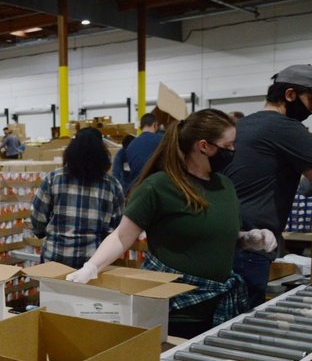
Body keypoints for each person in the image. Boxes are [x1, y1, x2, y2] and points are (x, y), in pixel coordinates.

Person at [67, 109, 275, 338]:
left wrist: (249, 239)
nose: (233, 152)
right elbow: (121, 236)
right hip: (175, 312)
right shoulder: (159, 187)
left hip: (219, 308)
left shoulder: (224, 186)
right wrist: (92, 267)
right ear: (204, 146)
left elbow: (219, 237)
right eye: (228, 146)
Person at [224, 64, 312, 308]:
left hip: (225, 241)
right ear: (290, 95)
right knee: (240, 332)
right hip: (251, 247)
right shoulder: (287, 128)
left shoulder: (244, 124)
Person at [30, 128, 124, 269]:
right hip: (93, 265)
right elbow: (118, 229)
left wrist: (42, 232)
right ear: (102, 154)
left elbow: (38, 219)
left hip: (55, 261)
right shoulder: (112, 186)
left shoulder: (53, 179)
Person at [122, 113, 162, 184]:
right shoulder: (162, 140)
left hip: (135, 188)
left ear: (141, 127)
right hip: (156, 186)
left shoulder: (130, 146)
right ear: (155, 125)